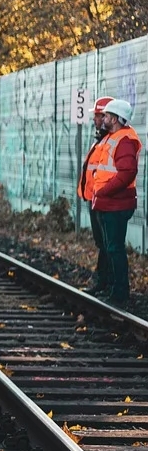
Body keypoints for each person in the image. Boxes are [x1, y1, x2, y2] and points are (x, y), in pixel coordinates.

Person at [85, 98, 139, 304]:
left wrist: (104, 191)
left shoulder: (124, 140)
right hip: (108, 203)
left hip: (116, 204)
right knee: (110, 247)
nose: (102, 118)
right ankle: (111, 288)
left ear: (115, 119)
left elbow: (127, 172)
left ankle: (120, 294)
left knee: (115, 248)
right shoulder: (113, 137)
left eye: (106, 115)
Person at [78, 96, 115, 294]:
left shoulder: (110, 142)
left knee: (107, 244)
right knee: (102, 243)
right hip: (96, 199)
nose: (95, 119)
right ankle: (103, 282)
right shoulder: (101, 141)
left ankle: (107, 283)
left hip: (103, 200)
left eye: (99, 116)